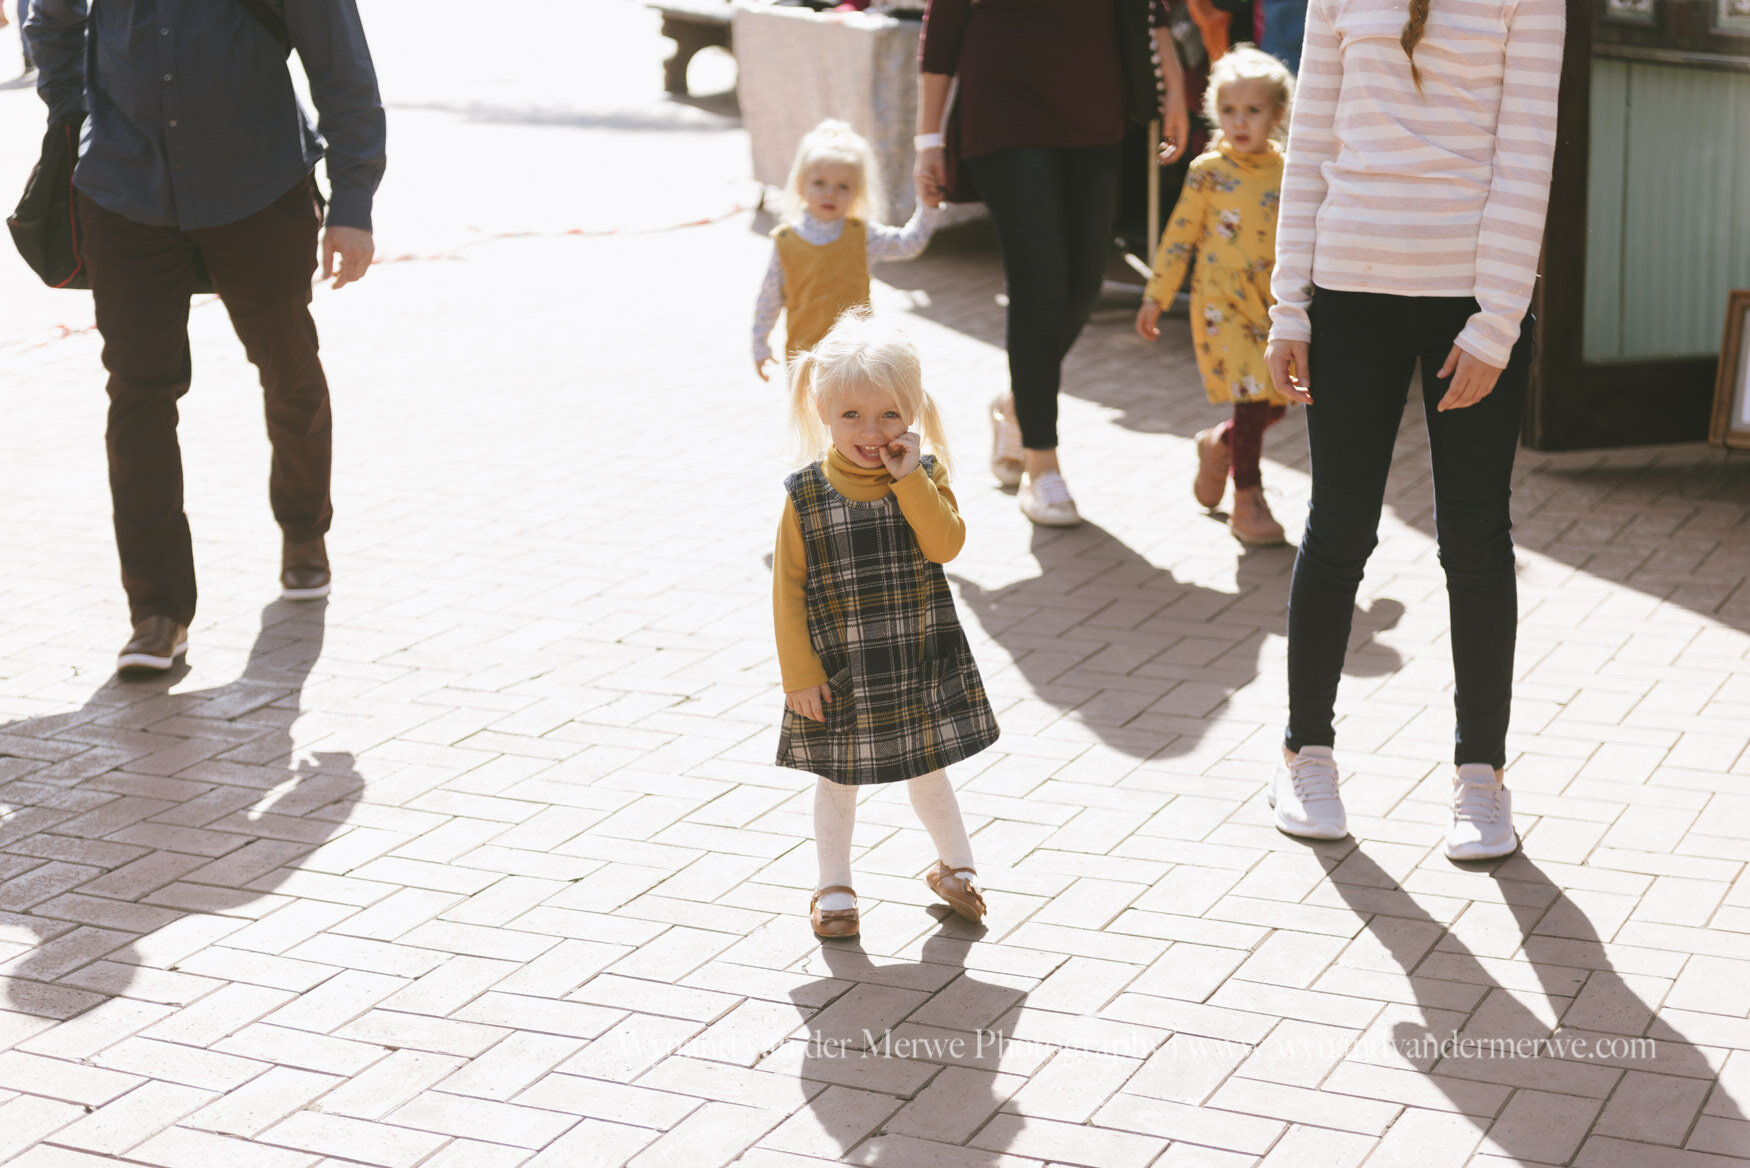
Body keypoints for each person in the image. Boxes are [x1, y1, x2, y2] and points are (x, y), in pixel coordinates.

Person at [1263, 0, 1564, 859]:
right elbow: (1311, 140)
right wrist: (1291, 305)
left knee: (1474, 538)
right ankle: (1304, 752)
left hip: (1468, 304)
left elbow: (1525, 152)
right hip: (1350, 294)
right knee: (1340, 525)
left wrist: (1497, 321)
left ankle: (1482, 776)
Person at [27, 0, 385, 674]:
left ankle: (304, 527)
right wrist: (75, 115)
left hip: (258, 183)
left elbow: (342, 69)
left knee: (288, 366)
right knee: (138, 393)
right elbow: (50, 19)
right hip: (123, 191)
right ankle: (157, 612)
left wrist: (353, 204)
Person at [915, 0, 1186, 528]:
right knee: (1039, 279)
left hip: (1096, 103)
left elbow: (1151, 7)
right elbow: (943, 21)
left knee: (1084, 282)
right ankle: (1042, 463)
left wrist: (1172, 81)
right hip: (1004, 101)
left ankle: (1020, 400)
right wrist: (928, 140)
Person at [773, 311, 1000, 939]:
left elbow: (945, 545)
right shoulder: (805, 495)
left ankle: (956, 867)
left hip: (915, 656)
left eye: (888, 416)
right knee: (837, 779)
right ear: (822, 408)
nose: (871, 432)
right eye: (851, 416)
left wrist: (909, 481)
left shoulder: (922, 477)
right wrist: (799, 673)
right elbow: (786, 590)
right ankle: (834, 886)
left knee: (929, 767)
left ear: (913, 410)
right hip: (840, 665)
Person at [1136, 45, 1294, 546]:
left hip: (1273, 304)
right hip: (1222, 305)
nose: (1239, 121)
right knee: (1251, 399)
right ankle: (1247, 497)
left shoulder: (1289, 170)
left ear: (1278, 114)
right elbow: (1179, 235)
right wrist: (1154, 296)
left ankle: (1217, 444)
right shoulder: (1208, 170)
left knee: (1276, 402)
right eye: (1228, 110)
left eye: (1253, 110)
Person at [752, 120, 938, 381]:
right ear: (800, 186)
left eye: (843, 186)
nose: (830, 193)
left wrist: (928, 207)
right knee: (813, 422)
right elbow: (769, 298)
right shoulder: (785, 240)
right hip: (807, 360)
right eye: (819, 183)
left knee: (855, 420)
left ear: (856, 192)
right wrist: (760, 343)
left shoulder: (861, 234)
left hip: (858, 359)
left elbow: (909, 243)